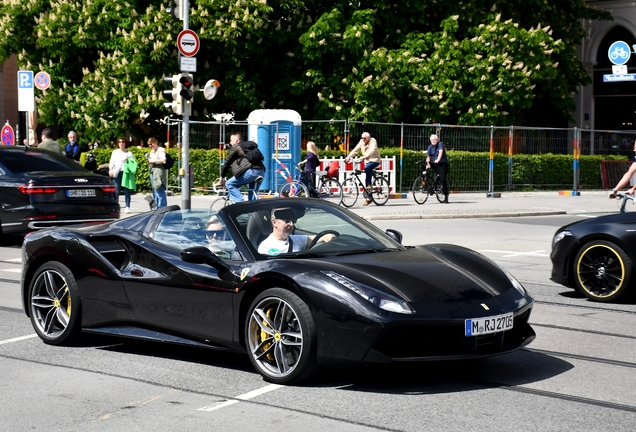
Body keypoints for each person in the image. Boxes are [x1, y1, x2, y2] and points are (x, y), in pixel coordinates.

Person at [258, 207, 335, 255]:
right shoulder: (265, 247)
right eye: (287, 221)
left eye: (293, 221)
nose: (291, 224)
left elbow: (323, 237)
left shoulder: (296, 240)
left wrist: (333, 239)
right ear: (274, 222)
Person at [220, 132, 266, 203]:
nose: (230, 142)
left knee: (229, 184)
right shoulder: (249, 146)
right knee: (252, 197)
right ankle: (254, 212)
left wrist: (222, 177)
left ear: (237, 141)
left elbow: (227, 163)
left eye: (231, 140)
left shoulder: (236, 146)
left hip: (250, 172)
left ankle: (240, 203)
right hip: (261, 171)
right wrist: (227, 146)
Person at [345, 132, 381, 205]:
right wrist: (349, 157)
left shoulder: (373, 141)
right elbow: (356, 149)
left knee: (367, 168)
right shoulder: (361, 142)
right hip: (367, 161)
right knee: (366, 176)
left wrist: (364, 156)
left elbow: (372, 150)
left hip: (375, 160)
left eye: (364, 138)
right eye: (362, 138)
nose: (363, 139)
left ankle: (369, 186)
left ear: (368, 138)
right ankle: (369, 197)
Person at [108, 137, 135, 214]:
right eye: (119, 142)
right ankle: (115, 206)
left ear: (125, 143)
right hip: (117, 172)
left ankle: (127, 206)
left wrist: (128, 160)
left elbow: (133, 164)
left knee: (127, 190)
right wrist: (110, 170)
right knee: (117, 190)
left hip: (126, 173)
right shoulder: (115, 152)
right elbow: (111, 162)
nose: (121, 143)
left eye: (123, 142)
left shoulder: (129, 153)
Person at [426, 134, 450, 204]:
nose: (433, 141)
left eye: (434, 140)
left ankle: (446, 196)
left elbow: (440, 152)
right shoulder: (430, 147)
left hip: (442, 164)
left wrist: (438, 159)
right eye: (432, 140)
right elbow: (428, 156)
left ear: (437, 140)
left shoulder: (440, 144)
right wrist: (428, 163)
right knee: (424, 164)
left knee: (442, 179)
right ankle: (426, 180)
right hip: (435, 164)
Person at [147, 137, 168, 208]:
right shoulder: (152, 152)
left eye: (151, 144)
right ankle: (157, 207)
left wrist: (153, 161)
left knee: (159, 188)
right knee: (155, 191)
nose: (150, 146)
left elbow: (163, 160)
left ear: (155, 142)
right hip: (152, 171)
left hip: (159, 171)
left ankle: (162, 207)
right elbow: (150, 161)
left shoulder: (161, 149)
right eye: (149, 145)